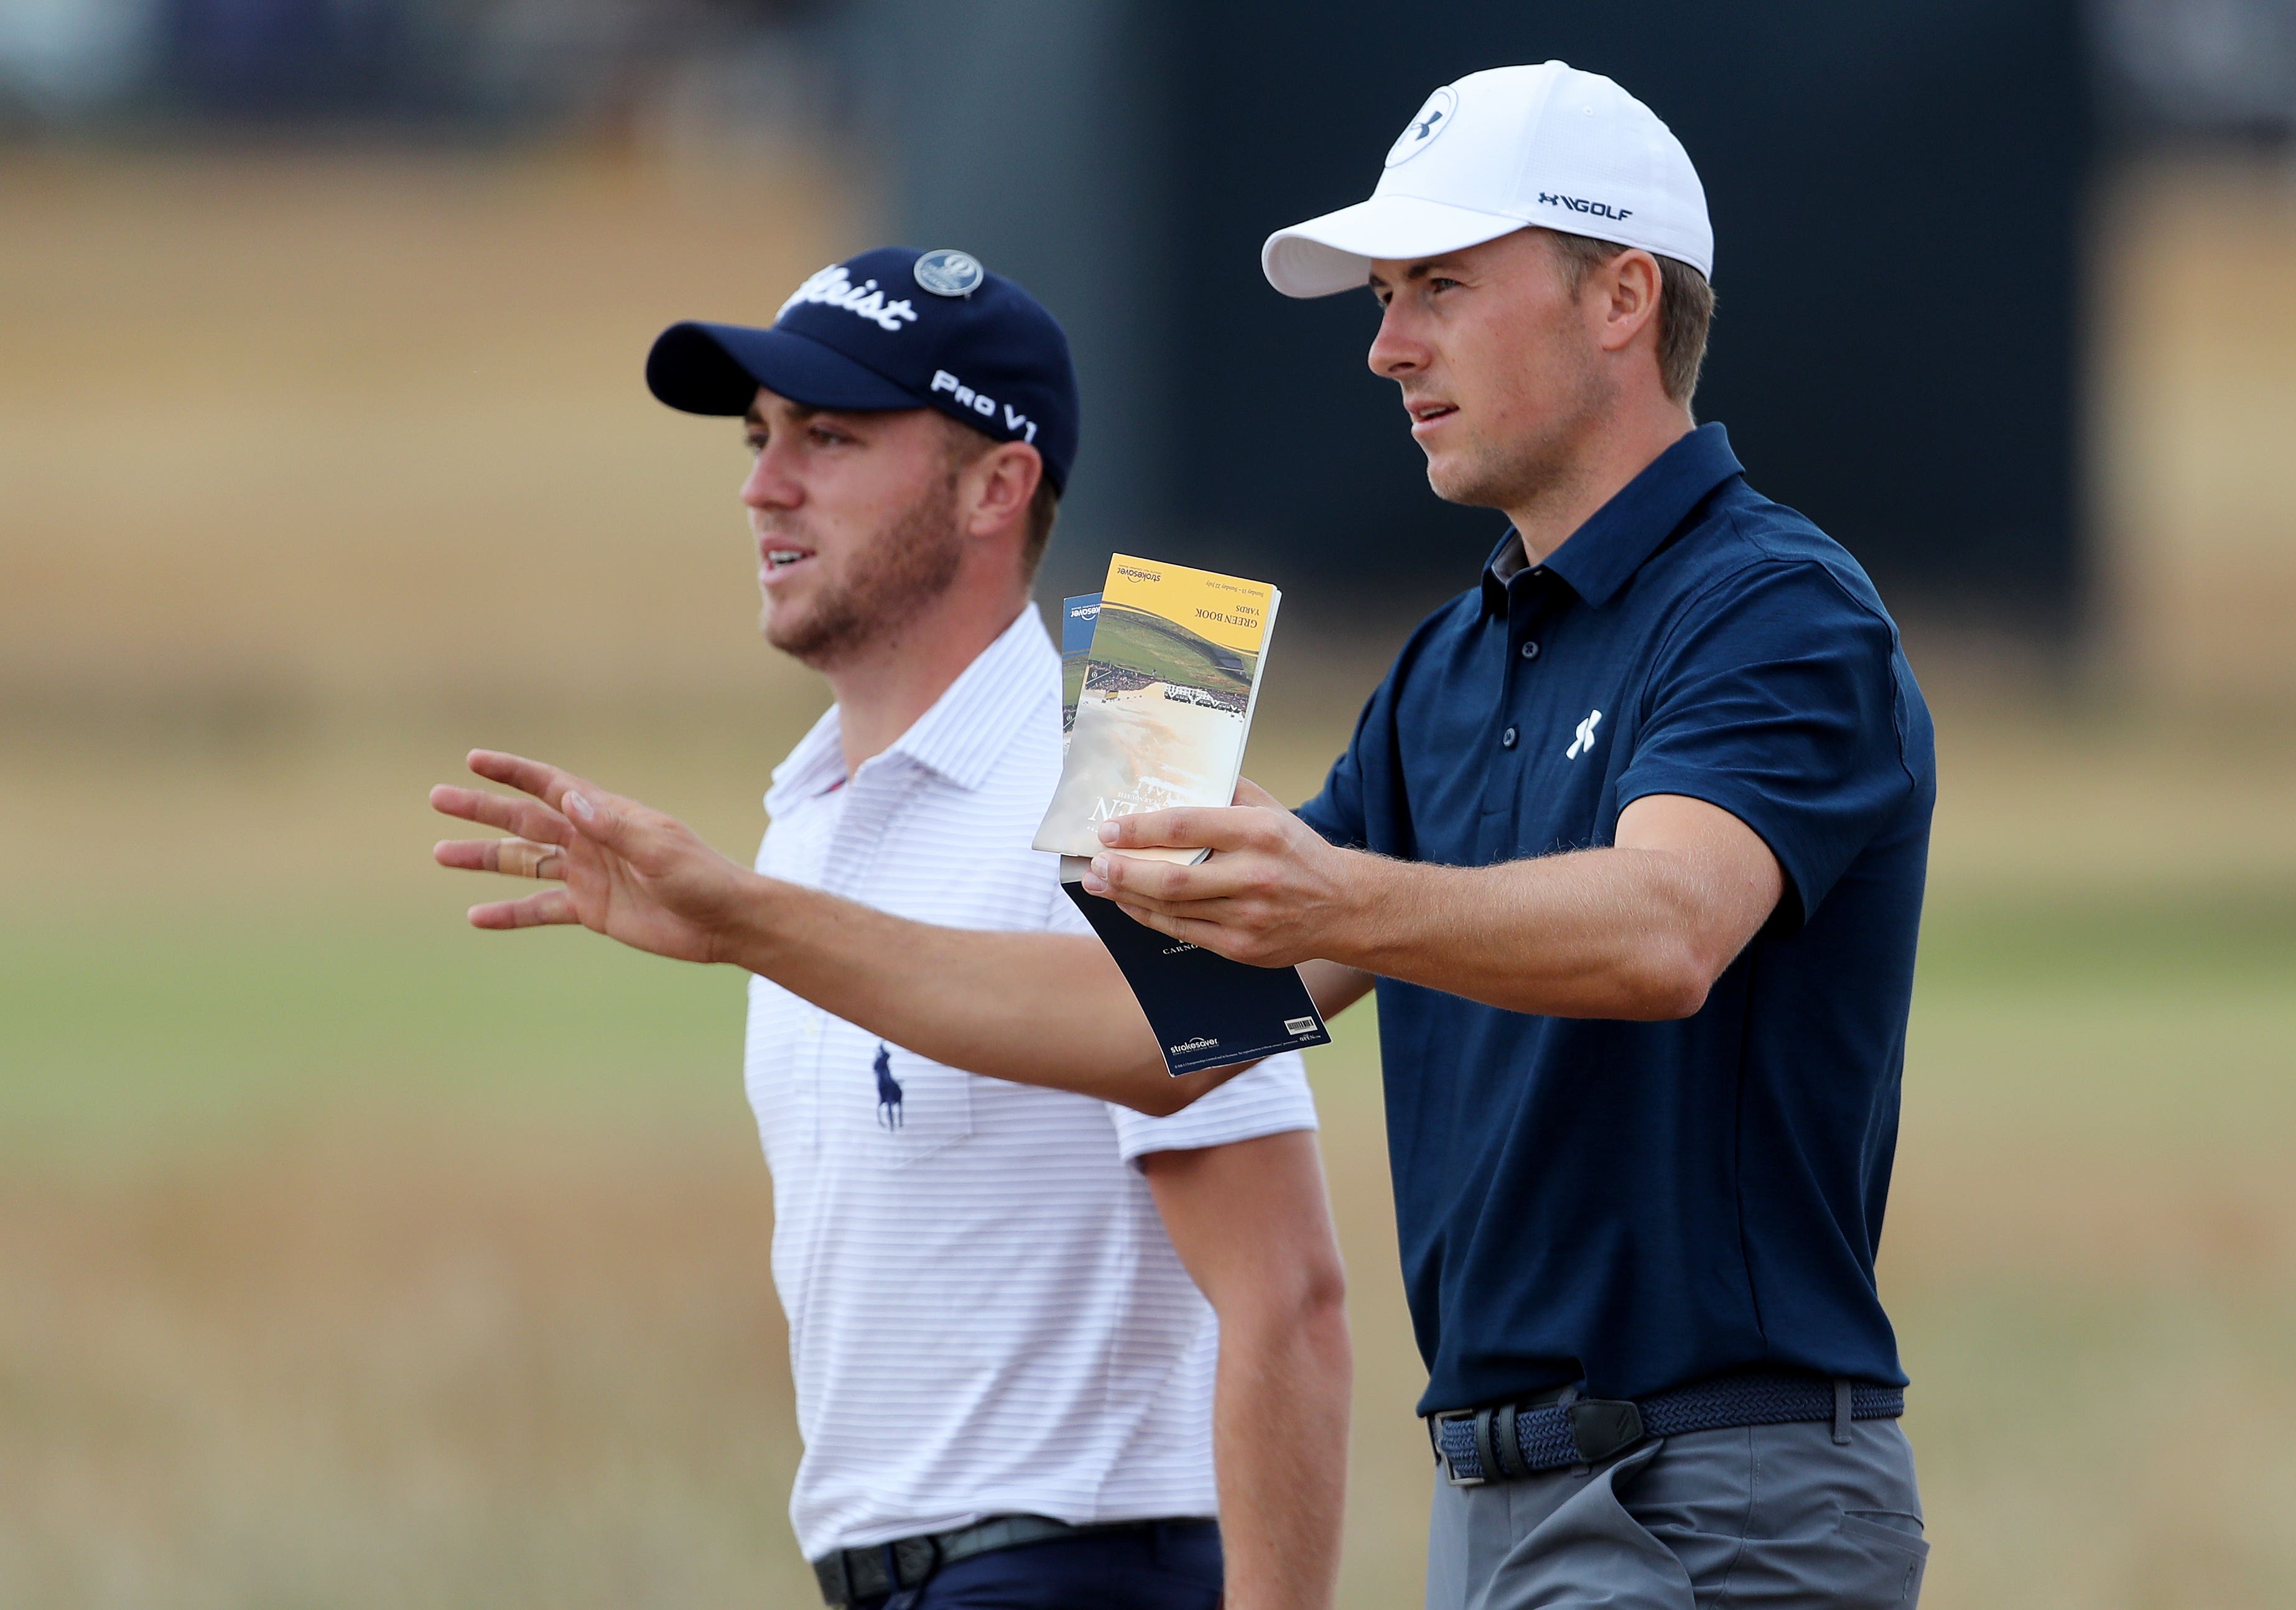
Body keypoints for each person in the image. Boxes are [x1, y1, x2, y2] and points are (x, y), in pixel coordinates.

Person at [434, 58, 1936, 1609]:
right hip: (1497, 1496)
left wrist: (1333, 895)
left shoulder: (1773, 605)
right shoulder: (1453, 662)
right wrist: (743, 916)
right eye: (1381, 294)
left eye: (1435, 286)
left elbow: (1665, 929)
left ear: (1619, 296)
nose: (1385, 344)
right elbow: (1163, 1032)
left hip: (1712, 1489)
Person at [432, 246, 1350, 1610]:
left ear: (997, 486)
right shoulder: (804, 808)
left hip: (1080, 1566)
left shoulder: (1140, 753)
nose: (762, 483)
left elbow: (1291, 1295)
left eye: (830, 436)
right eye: (758, 438)